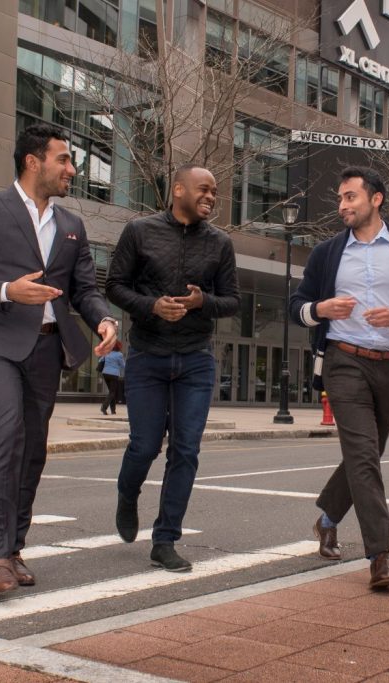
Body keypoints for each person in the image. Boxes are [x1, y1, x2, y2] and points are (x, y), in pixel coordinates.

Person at [0, 123, 118, 595]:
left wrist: (104, 320)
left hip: (46, 347)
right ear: (32, 161)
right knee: (6, 435)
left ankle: (14, 547)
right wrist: (6, 291)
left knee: (33, 451)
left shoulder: (71, 227)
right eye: (63, 159)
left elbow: (84, 291)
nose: (72, 169)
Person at [289, 167, 389, 589]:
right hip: (343, 361)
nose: (343, 206)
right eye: (341, 199)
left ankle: (327, 518)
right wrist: (321, 310)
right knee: (362, 455)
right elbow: (296, 305)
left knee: (367, 456)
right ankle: (380, 556)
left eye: (351, 197)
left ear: (376, 199)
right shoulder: (327, 253)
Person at [106, 163, 240, 572]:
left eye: (214, 192)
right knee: (145, 446)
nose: (211, 197)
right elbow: (113, 285)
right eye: (204, 189)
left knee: (185, 451)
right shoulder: (139, 231)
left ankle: (165, 540)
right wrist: (152, 306)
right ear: (178, 189)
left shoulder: (220, 243)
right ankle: (127, 495)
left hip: (196, 360)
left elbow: (232, 300)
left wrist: (204, 303)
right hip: (147, 355)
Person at [100, 341, 125, 415]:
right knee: (112, 392)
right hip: (113, 374)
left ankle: (113, 410)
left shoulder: (107, 352)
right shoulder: (119, 355)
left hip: (105, 374)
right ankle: (104, 407)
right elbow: (123, 365)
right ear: (119, 347)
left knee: (111, 392)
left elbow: (100, 360)